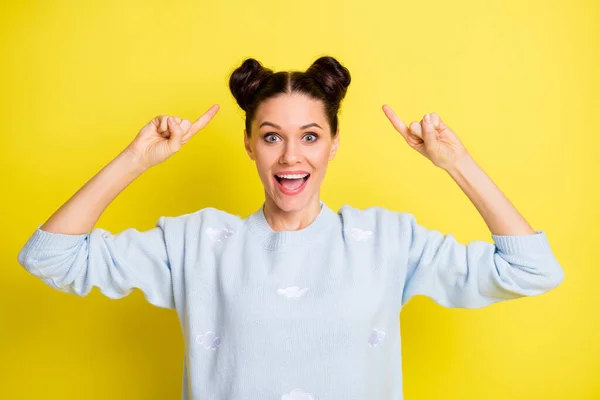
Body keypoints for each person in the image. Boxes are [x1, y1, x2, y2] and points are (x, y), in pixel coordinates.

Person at [17, 56, 564, 400]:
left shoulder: (387, 240)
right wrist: (136, 159)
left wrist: (456, 163)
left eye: (309, 136)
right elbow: (49, 257)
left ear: (332, 145)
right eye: (272, 136)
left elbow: (531, 270)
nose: (289, 157)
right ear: (250, 144)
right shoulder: (197, 243)